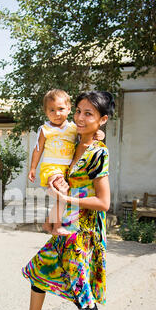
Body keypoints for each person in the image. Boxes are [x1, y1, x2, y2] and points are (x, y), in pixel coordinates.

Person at [0, 90, 115, 310]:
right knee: (39, 269)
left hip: (84, 234)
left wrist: (67, 201)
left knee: (81, 290)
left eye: (89, 113)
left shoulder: (99, 153)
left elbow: (103, 202)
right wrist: (55, 213)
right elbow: (63, 182)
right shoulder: (74, 142)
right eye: (78, 111)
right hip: (67, 225)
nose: (79, 117)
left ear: (103, 120)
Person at [28, 89, 105, 235]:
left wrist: (99, 133)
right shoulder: (45, 130)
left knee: (61, 197)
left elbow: (88, 133)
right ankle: (56, 227)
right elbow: (38, 149)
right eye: (52, 110)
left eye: (61, 109)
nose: (57, 114)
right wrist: (33, 168)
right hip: (51, 167)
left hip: (66, 169)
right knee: (62, 192)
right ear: (46, 112)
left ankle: (47, 223)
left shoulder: (74, 128)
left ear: (69, 109)